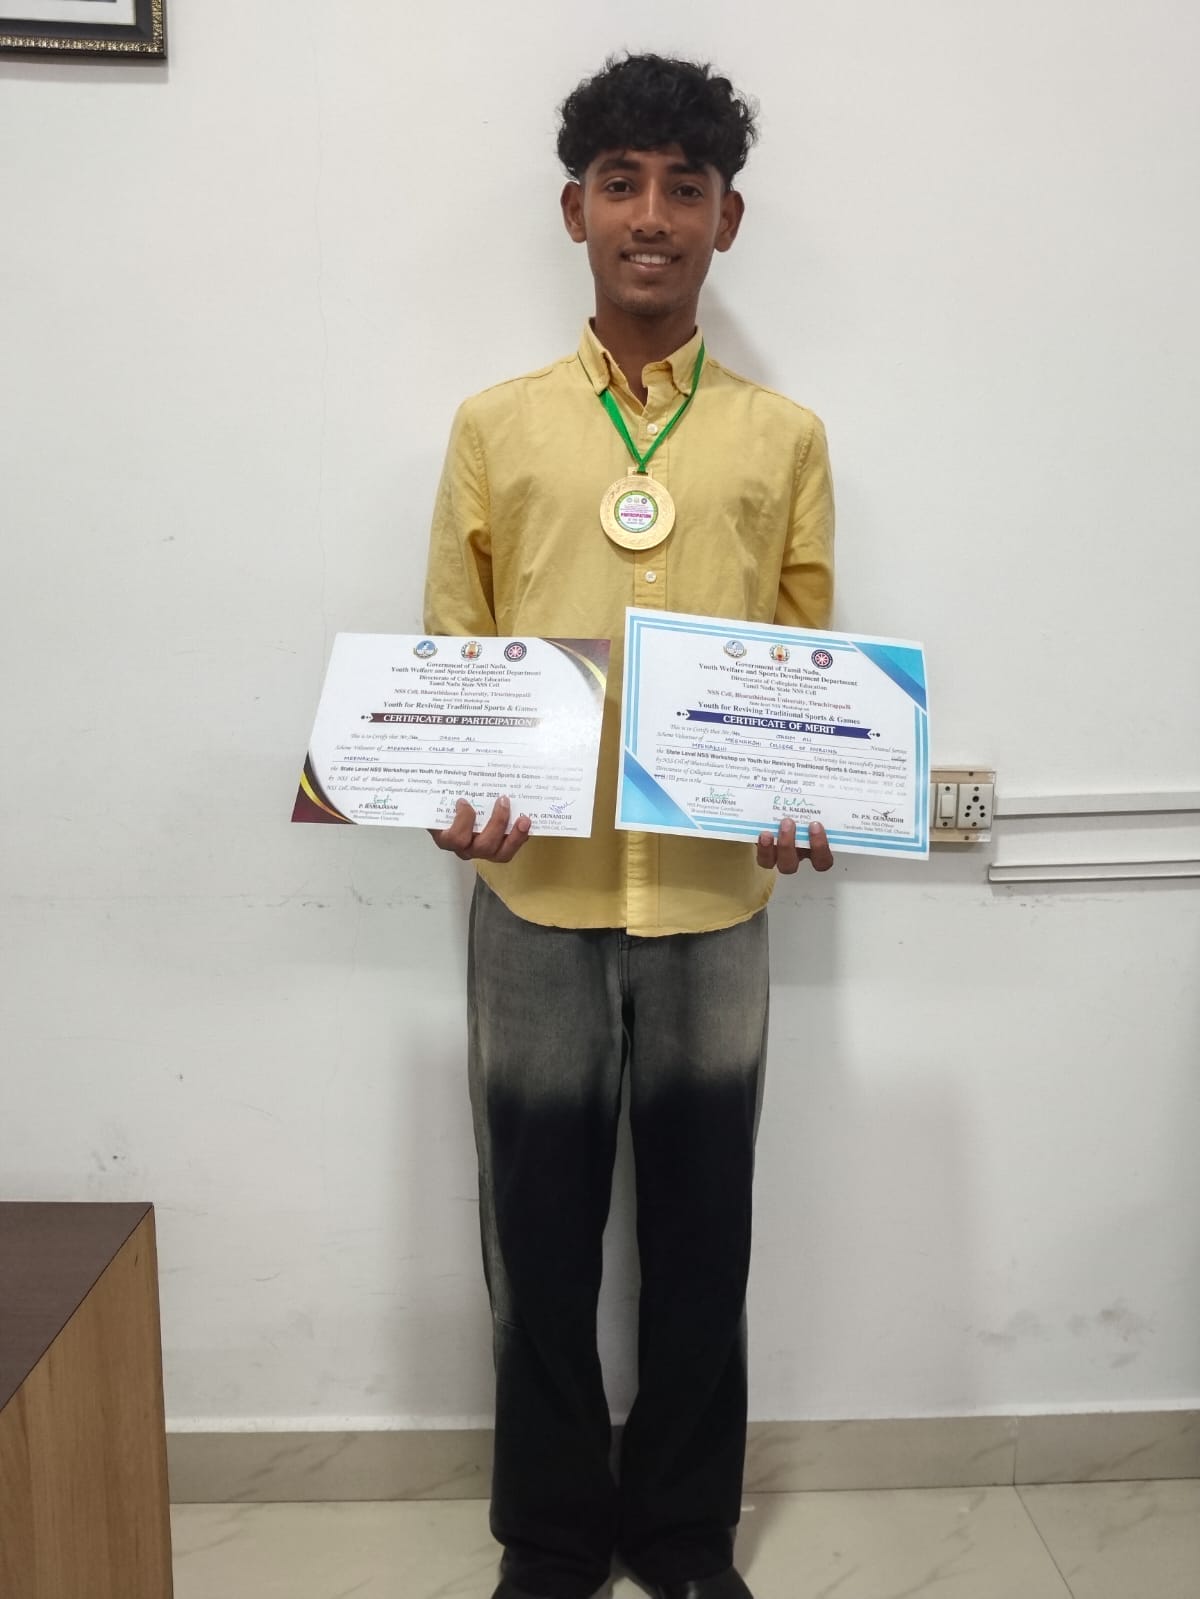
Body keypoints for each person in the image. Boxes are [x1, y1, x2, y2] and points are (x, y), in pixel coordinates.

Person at [423, 52, 835, 1599]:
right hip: (533, 896)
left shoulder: (783, 439)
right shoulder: (497, 426)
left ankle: (681, 1532)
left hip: (716, 903)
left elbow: (807, 662)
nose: (650, 216)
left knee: (704, 1234)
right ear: (574, 211)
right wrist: (449, 786)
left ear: (727, 218)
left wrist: (809, 790)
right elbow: (453, 647)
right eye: (620, 185)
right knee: (533, 1238)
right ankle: (548, 1536)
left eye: (683, 187)